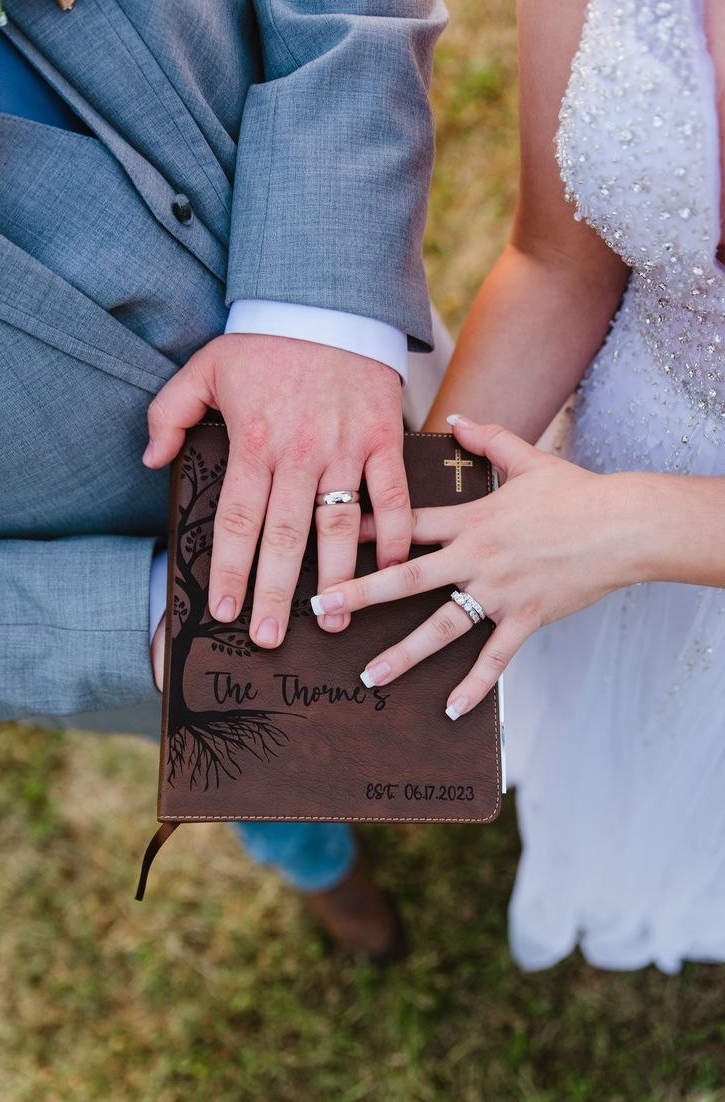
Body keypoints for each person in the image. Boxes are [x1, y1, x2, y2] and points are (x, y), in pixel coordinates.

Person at [0, 0, 447, 961]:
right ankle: (318, 861)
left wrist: (321, 306)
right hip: (98, 561)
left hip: (355, 337)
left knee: (469, 551)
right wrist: (145, 619)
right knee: (250, 747)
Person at [310, 0, 725, 972]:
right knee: (618, 736)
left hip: (608, 518)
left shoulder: (605, 527)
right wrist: (415, 520)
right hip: (609, 455)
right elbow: (556, 259)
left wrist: (635, 524)